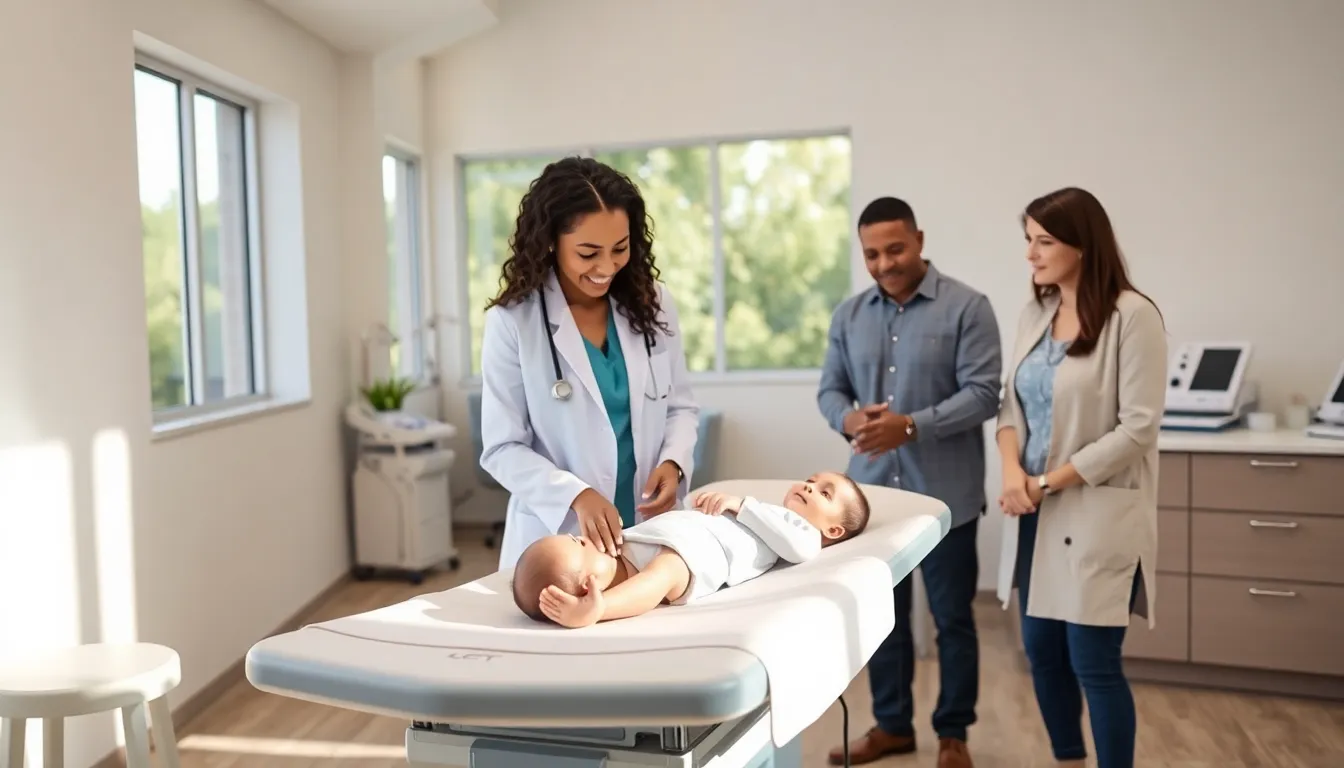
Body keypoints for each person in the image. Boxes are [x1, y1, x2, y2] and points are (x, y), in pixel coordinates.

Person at [818, 197, 1002, 768]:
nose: (884, 264)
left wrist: (912, 426)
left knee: (953, 621)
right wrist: (849, 419)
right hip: (873, 501)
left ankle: (954, 734)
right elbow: (830, 390)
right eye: (872, 254)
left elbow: (984, 394)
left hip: (946, 502)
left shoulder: (969, 307)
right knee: (883, 622)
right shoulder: (849, 316)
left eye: (895, 249)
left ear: (919, 240)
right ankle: (892, 727)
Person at [994, 187, 1166, 768]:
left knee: (1093, 660)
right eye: (1028, 240)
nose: (1031, 254)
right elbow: (1009, 407)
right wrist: (1013, 472)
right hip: (1032, 509)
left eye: (1044, 241)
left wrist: (1046, 483)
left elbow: (1137, 429)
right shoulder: (1034, 315)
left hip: (1092, 509)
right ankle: (1068, 760)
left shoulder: (1132, 317)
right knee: (1042, 652)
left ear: (1083, 246)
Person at [479, 156, 700, 570]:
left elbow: (680, 407)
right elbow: (502, 448)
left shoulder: (653, 303)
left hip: (651, 523)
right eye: (588, 253)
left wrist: (674, 463)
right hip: (561, 538)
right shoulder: (514, 321)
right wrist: (574, 495)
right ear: (550, 241)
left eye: (620, 248)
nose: (606, 267)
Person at [511, 472, 871, 627]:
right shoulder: (652, 561)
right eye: (810, 482)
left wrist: (740, 505)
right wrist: (599, 609)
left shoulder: (803, 531)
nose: (809, 487)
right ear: (587, 585)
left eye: (824, 493)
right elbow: (648, 588)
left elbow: (803, 546)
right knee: (657, 579)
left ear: (833, 531)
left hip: (689, 545)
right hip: (686, 550)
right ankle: (599, 608)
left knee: (659, 573)